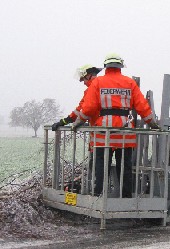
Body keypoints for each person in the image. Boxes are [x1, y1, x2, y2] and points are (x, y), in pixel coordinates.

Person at [80, 53, 159, 198]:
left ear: (105, 66)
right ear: (121, 66)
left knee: (101, 165)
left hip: (104, 131)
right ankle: (126, 196)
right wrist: (153, 124)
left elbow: (89, 108)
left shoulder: (98, 82)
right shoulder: (129, 83)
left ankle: (98, 196)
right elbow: (142, 106)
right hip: (125, 130)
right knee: (124, 166)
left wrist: (77, 122)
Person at [51, 64, 102, 131]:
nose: (84, 83)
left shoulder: (90, 90)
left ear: (88, 76)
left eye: (83, 79)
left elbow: (81, 109)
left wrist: (64, 122)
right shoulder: (105, 85)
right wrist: (64, 121)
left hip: (98, 129)